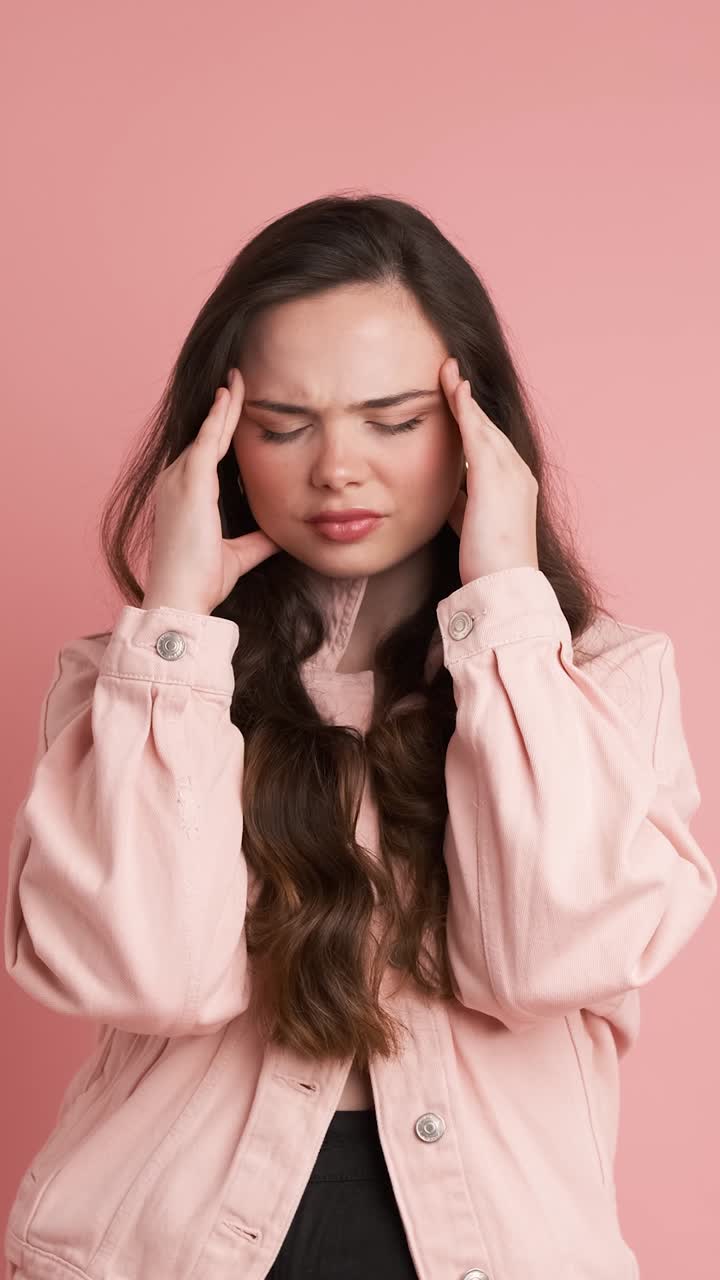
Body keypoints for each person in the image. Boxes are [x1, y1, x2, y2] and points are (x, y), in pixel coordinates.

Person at [4, 193, 716, 1280]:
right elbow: (146, 973)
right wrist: (177, 637)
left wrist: (507, 610)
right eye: (285, 424)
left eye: (393, 420)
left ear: (480, 428)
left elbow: (547, 953)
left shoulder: (596, 680)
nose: (337, 466)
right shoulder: (137, 684)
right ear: (220, 438)